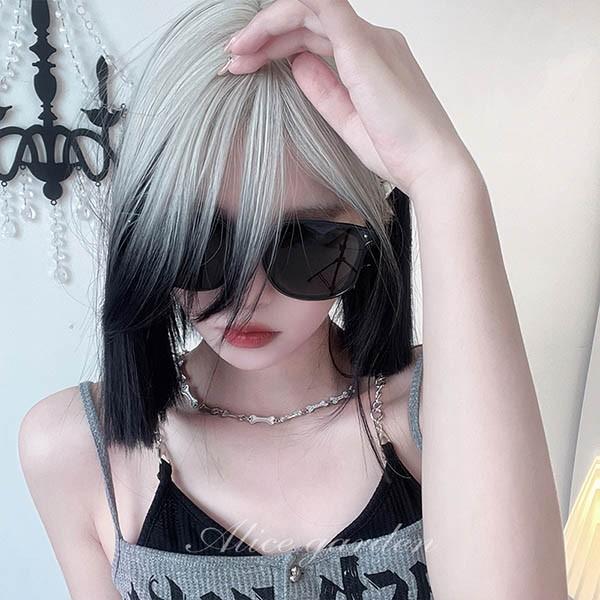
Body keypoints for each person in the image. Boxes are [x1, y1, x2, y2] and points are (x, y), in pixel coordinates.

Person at [18, 0, 568, 599]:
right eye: (200, 242)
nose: (247, 296)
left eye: (307, 244)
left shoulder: (446, 408)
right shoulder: (77, 447)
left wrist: (444, 180)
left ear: (371, 230)